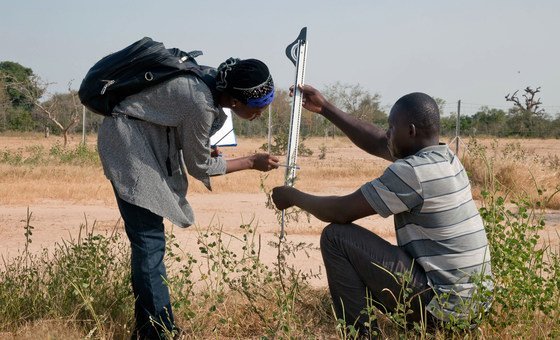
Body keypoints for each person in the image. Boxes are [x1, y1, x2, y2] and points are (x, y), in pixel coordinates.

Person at [272, 85, 493, 335]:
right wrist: (325, 108)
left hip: (441, 310)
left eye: (391, 127)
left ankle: (360, 334)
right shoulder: (447, 160)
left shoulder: (412, 172)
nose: (387, 133)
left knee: (336, 237)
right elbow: (377, 141)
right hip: (473, 309)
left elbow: (340, 212)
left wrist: (292, 196)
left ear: (410, 131)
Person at [97, 57, 279, 339]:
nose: (259, 115)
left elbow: (167, 117)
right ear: (236, 101)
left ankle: (147, 328)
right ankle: (160, 331)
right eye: (257, 109)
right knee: (149, 241)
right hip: (128, 147)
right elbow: (200, 166)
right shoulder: (201, 103)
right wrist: (251, 161)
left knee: (149, 242)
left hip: (145, 139)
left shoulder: (209, 81)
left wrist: (201, 147)